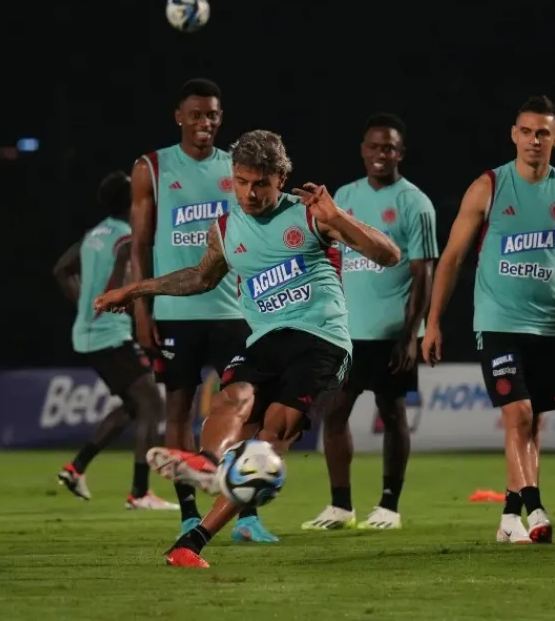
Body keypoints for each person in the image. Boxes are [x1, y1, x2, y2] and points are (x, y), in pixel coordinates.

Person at [94, 130, 401, 568]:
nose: (250, 193)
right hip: (265, 340)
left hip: (321, 340)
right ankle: (202, 481)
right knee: (232, 398)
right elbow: (201, 277)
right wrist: (137, 290)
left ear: (281, 178)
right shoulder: (225, 228)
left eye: (260, 183)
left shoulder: (312, 215)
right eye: (241, 182)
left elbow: (389, 254)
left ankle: (200, 529)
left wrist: (340, 216)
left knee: (268, 439)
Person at [422, 95, 555, 544]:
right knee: (517, 415)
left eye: (543, 133)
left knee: (533, 422)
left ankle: (509, 517)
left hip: (547, 327)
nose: (534, 140)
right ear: (513, 134)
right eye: (526, 131)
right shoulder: (489, 186)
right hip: (497, 321)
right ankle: (535, 506)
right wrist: (434, 321)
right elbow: (453, 257)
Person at [130, 79, 271, 541]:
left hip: (232, 310)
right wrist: (142, 309)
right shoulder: (151, 167)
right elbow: (141, 244)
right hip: (174, 312)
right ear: (179, 116)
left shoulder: (237, 167)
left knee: (247, 408)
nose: (204, 123)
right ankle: (189, 512)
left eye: (211, 114)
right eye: (196, 114)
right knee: (178, 409)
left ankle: (245, 514)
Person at [301, 113, 438, 531]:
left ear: (401, 153)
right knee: (334, 412)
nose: (382, 154)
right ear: (363, 150)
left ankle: (389, 506)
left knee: (392, 413)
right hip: (346, 331)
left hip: (391, 333)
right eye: (375, 146)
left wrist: (410, 333)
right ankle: (340, 506)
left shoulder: (415, 203)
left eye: (389, 147)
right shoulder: (342, 196)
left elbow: (423, 273)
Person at [53, 171, 175, 510]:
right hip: (109, 334)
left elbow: (61, 270)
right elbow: (120, 284)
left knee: (135, 405)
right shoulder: (125, 238)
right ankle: (139, 493)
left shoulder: (95, 234)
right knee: (152, 403)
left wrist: (84, 304)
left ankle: (77, 467)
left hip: (88, 331)